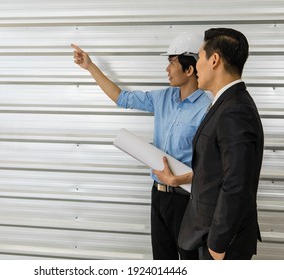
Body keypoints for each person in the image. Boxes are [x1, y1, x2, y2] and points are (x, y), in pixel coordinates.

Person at [71, 32, 212, 260]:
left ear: (190, 70)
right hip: (158, 195)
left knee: (190, 261)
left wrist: (180, 180)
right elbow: (121, 98)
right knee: (162, 261)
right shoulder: (163, 98)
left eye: (171, 62)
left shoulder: (208, 109)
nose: (167, 69)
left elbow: (212, 167)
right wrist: (90, 66)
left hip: (187, 200)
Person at [177, 28, 264, 260]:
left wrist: (218, 243)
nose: (196, 66)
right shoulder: (225, 103)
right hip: (204, 233)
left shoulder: (235, 109)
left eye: (199, 57)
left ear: (214, 60)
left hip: (221, 242)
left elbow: (237, 183)